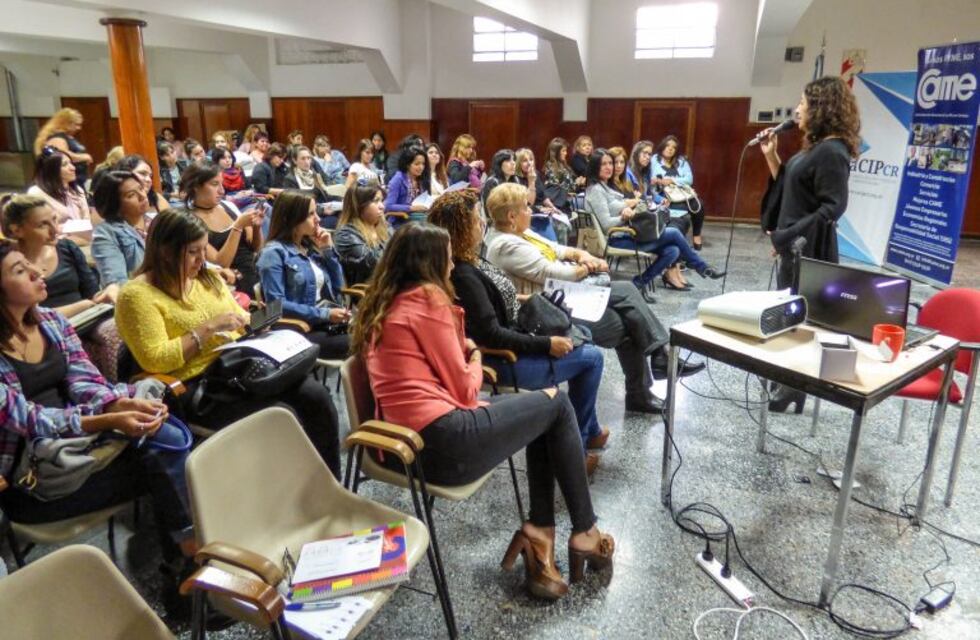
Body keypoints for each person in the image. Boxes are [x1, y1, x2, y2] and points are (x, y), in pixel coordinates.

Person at [350, 222, 615, 600]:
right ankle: (582, 532)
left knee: (548, 411)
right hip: (441, 442)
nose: (451, 269)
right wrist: (473, 355)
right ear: (429, 264)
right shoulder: (428, 300)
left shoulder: (389, 301)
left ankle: (541, 534)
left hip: (408, 444)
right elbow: (465, 386)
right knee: (556, 403)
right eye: (445, 260)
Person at [0, 239, 194, 568]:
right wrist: (106, 420)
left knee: (160, 433)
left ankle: (188, 563)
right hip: (35, 476)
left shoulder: (50, 322)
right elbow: (32, 420)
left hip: (82, 445)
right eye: (20, 270)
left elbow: (84, 381)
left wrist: (118, 404)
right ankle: (192, 561)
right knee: (166, 461)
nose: (36, 271)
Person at [114, 210, 341, 477]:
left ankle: (328, 482)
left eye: (203, 249)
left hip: (238, 365)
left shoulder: (204, 277)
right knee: (281, 415)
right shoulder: (136, 295)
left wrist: (255, 323)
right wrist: (210, 327)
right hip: (196, 384)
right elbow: (156, 359)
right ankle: (283, 495)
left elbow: (237, 315)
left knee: (316, 396)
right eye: (192, 252)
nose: (202, 260)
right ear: (165, 251)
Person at [427, 190, 607, 476]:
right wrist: (547, 344)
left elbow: (497, 303)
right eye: (476, 221)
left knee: (583, 333)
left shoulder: (472, 259)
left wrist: (531, 302)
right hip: (502, 359)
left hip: (515, 336)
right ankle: (577, 450)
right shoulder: (463, 273)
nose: (482, 226)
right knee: (593, 358)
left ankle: (589, 429)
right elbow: (492, 335)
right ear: (461, 230)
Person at [484, 183, 704, 412]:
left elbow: (560, 250)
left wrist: (583, 254)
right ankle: (650, 374)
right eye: (526, 208)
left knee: (628, 297)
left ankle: (657, 360)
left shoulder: (521, 233)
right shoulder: (505, 245)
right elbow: (559, 273)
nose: (531, 211)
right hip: (544, 313)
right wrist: (590, 266)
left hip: (559, 297)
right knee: (628, 322)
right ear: (512, 216)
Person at [760, 76, 860, 413]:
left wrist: (788, 235)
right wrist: (772, 157)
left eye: (803, 102)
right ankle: (789, 382)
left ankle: (793, 385)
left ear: (820, 107)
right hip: (794, 244)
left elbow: (832, 207)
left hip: (809, 248)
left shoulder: (833, 151)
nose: (797, 109)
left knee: (799, 317)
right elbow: (791, 188)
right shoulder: (816, 148)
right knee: (790, 314)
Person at [2, 194, 121, 379]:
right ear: (17, 230)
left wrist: (106, 293)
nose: (55, 230)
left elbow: (92, 293)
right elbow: (24, 315)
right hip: (45, 325)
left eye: (55, 220)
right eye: (43, 225)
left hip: (87, 318)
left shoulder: (67, 248)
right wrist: (83, 305)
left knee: (117, 329)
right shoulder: (10, 264)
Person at [585, 149, 723, 296]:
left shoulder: (606, 186)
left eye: (610, 163)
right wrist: (625, 216)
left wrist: (629, 206)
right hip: (618, 239)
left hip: (629, 234)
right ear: (595, 167)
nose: (609, 167)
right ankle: (701, 266)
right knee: (674, 233)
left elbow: (619, 205)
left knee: (673, 251)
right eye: (603, 164)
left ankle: (637, 283)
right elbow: (606, 225)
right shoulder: (596, 191)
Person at [257, 192, 350, 360]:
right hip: (302, 329)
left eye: (316, 212)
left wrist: (328, 251)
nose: (318, 219)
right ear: (292, 219)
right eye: (310, 214)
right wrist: (325, 314)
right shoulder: (273, 253)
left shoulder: (309, 247)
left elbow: (339, 287)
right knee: (366, 342)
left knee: (379, 331)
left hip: (324, 321)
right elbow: (276, 305)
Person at [181, 163, 264, 295]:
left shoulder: (228, 206)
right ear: (196, 187)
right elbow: (221, 262)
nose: (222, 190)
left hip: (255, 271)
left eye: (222, 184)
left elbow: (256, 247)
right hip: (230, 281)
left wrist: (256, 227)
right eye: (214, 184)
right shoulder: (189, 220)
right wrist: (237, 227)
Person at [91, 171, 152, 287]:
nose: (142, 196)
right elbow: (117, 283)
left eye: (141, 188)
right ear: (114, 204)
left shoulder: (155, 221)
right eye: (131, 195)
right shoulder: (106, 233)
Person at [652, 135, 705, 250]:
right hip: (663, 194)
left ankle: (696, 235)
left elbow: (689, 179)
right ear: (662, 146)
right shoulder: (654, 159)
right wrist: (660, 181)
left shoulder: (682, 161)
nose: (670, 149)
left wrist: (672, 180)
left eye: (674, 147)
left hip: (682, 193)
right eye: (668, 146)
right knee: (680, 209)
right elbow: (652, 177)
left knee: (699, 204)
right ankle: (680, 243)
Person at [334, 185, 388, 287]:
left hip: (391, 283)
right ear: (359, 206)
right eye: (376, 201)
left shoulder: (384, 227)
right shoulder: (346, 234)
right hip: (370, 291)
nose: (382, 206)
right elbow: (374, 263)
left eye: (381, 200)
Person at [516, 147, 568, 244]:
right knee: (555, 226)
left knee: (562, 223)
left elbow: (543, 196)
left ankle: (561, 253)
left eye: (531, 160)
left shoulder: (536, 174)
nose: (529, 163)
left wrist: (553, 207)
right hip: (529, 213)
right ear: (518, 163)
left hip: (542, 210)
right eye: (524, 161)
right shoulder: (516, 179)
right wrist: (531, 182)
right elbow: (527, 203)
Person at [28, 148, 92, 226]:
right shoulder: (36, 194)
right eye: (65, 165)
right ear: (51, 170)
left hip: (82, 236)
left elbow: (87, 222)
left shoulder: (78, 190)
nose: (73, 168)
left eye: (71, 163)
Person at [34, 108, 92, 189]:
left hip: (76, 180)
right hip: (66, 182)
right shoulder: (57, 138)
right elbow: (62, 156)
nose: (79, 128)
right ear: (66, 123)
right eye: (76, 124)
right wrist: (85, 157)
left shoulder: (66, 137)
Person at [383, 145, 429, 227]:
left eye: (423, 164)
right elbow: (388, 206)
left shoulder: (420, 179)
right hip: (399, 222)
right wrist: (411, 208)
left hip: (417, 220)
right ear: (407, 164)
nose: (421, 167)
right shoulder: (398, 179)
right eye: (417, 164)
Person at [542, 137, 578, 212]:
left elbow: (569, 185)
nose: (566, 153)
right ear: (556, 152)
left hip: (566, 202)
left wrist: (576, 183)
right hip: (557, 204)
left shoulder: (563, 165)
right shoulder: (550, 167)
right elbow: (556, 186)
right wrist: (576, 184)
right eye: (563, 151)